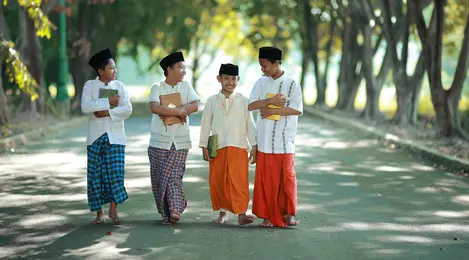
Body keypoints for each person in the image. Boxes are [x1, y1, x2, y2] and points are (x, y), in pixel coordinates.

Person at [248, 46, 303, 227]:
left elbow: (297, 109)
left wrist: (274, 109)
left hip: (285, 141)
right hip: (264, 142)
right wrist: (270, 100)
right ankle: (267, 215)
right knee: (267, 181)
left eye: (265, 65)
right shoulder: (260, 82)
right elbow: (251, 105)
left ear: (276, 63)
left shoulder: (292, 84)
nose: (262, 69)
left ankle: (289, 214)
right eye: (261, 66)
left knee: (287, 178)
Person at [199, 63, 258, 225]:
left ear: (238, 79)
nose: (230, 82)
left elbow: (250, 125)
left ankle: (241, 214)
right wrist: (204, 145)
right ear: (219, 79)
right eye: (226, 78)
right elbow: (205, 124)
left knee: (239, 181)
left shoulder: (244, 101)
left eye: (234, 79)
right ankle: (223, 212)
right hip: (217, 147)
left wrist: (254, 145)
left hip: (239, 146)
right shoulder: (211, 101)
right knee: (219, 181)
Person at [81, 48, 133, 225]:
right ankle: (99, 212)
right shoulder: (90, 86)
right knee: (96, 176)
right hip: (96, 137)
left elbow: (127, 109)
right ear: (100, 70)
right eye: (111, 68)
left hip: (116, 137)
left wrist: (106, 113)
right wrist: (108, 102)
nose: (115, 71)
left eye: (115, 68)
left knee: (115, 174)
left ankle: (113, 210)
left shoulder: (120, 87)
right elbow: (85, 107)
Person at [147, 51, 200, 224]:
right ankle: (166, 212)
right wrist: (178, 111)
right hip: (159, 142)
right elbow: (155, 107)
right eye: (180, 67)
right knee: (160, 178)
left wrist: (184, 110)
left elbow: (195, 105)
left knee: (174, 176)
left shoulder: (186, 87)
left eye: (184, 67)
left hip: (180, 141)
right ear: (169, 69)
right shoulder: (157, 87)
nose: (184, 70)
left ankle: (175, 209)